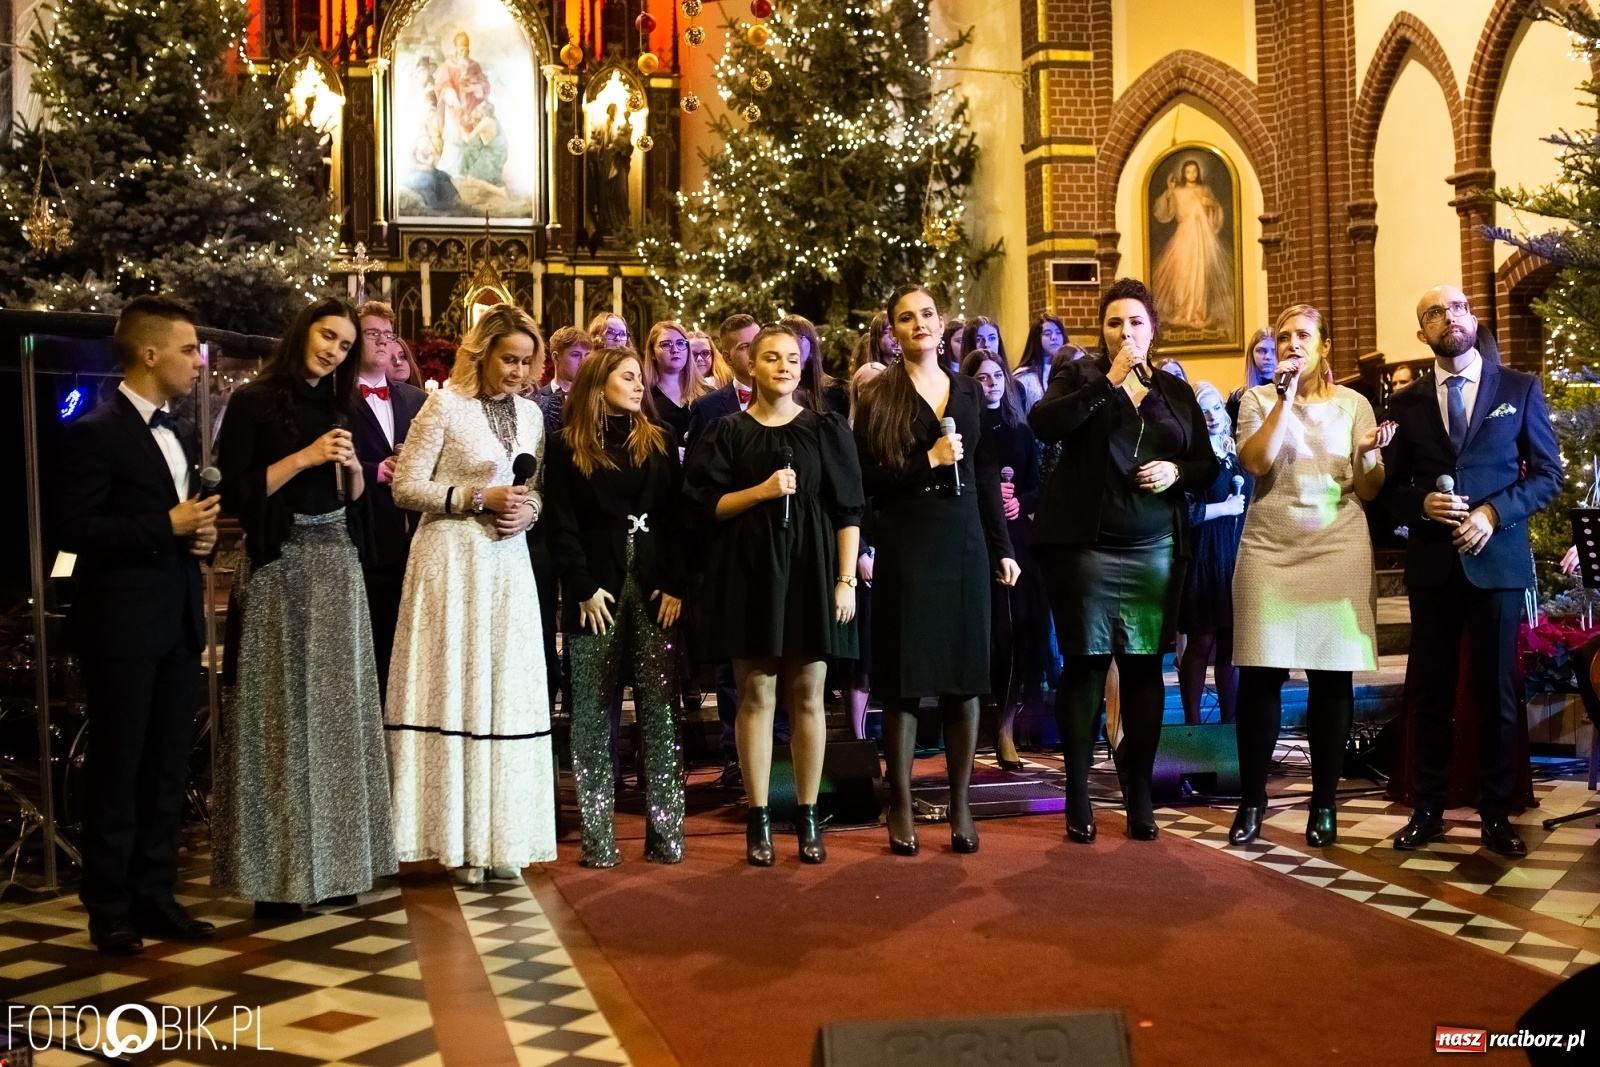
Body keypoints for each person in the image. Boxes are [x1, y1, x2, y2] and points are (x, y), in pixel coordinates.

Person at [212, 297, 397, 918]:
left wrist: (349, 469)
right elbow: (238, 490)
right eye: (328, 337)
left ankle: (341, 864)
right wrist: (307, 457)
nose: (335, 351)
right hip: (280, 563)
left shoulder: (339, 405)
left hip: (337, 558)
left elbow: (353, 498)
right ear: (303, 332)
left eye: (346, 345)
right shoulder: (253, 401)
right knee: (280, 716)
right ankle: (277, 877)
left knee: (340, 717)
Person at [55, 296, 218, 954]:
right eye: (187, 349)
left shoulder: (176, 431)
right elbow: (74, 530)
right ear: (149, 353)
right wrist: (166, 526)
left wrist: (196, 538)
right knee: (118, 770)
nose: (198, 362)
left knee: (166, 767)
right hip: (120, 626)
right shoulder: (95, 430)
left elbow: (177, 521)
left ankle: (156, 892)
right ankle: (110, 905)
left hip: (175, 621)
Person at [1029, 278, 1217, 844]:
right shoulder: (1081, 377)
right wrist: (1107, 384)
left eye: (1135, 322)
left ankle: (1139, 792)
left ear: (1152, 329)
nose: (1125, 332)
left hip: (1155, 548)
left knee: (1141, 665)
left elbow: (1208, 466)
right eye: (1114, 323)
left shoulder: (1174, 391)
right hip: (1086, 546)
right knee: (1086, 664)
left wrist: (1177, 473)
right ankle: (1079, 793)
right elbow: (1045, 424)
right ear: (1102, 331)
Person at [1380, 285, 1562, 858]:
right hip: (1434, 566)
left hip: (1498, 563)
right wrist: (1420, 506)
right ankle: (1428, 810)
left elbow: (1547, 476)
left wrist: (1492, 512)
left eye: (1455, 308)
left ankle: (1495, 813)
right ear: (1423, 332)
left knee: (1498, 694)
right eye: (1433, 312)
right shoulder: (1406, 403)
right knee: (1431, 693)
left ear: (1471, 318)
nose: (1447, 317)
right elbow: (1387, 489)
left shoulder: (1519, 388)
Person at [385, 306, 553, 885]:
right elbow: (407, 488)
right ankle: (454, 840)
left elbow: (530, 489)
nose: (519, 371)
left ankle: (502, 835)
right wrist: (476, 499)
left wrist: (528, 509)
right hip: (451, 560)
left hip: (509, 565)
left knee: (505, 691)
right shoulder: (443, 406)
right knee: (460, 690)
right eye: (510, 359)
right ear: (481, 354)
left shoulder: (532, 414)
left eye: (528, 361)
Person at [687, 323, 865, 864]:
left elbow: (847, 510)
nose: (783, 366)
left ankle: (808, 814)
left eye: (792, 358)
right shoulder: (725, 432)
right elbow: (703, 507)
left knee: (810, 695)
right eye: (771, 357)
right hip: (750, 574)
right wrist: (761, 491)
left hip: (812, 571)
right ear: (751, 366)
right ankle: (759, 816)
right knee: (756, 695)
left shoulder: (826, 428)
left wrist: (845, 580)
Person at [855, 284, 1020, 855]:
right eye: (906, 318)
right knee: (902, 683)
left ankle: (960, 803)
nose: (919, 324)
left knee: (964, 678)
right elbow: (865, 482)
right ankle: (899, 802)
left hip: (966, 543)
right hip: (908, 541)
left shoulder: (971, 390)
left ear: (941, 321)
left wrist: (1002, 546)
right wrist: (925, 460)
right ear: (893, 331)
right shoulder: (880, 396)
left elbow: (985, 470)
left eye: (927, 314)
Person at [1227, 305, 1393, 848]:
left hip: (1337, 543)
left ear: (1325, 347)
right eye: (1283, 336)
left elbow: (1368, 490)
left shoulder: (1356, 404)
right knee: (1260, 675)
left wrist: (1368, 456)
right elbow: (1256, 462)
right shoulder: (1256, 398)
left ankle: (1324, 803)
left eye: (1304, 336)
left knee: (1331, 678)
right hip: (1269, 547)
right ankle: (1252, 800)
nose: (1292, 343)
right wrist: (1285, 398)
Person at [545, 347, 688, 867]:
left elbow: (678, 517)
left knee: (661, 714)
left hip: (654, 593)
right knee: (590, 717)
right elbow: (558, 521)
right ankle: (598, 840)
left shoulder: (660, 438)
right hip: (595, 595)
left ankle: (667, 835)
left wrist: (676, 582)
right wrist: (581, 586)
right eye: (627, 376)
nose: (638, 384)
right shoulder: (564, 447)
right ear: (598, 382)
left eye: (638, 378)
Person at [685, 312, 764, 786]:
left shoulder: (791, 399)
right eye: (743, 348)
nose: (754, 355)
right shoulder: (711, 409)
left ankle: (777, 759)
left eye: (759, 344)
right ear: (726, 354)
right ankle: (738, 757)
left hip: (780, 541)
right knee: (736, 662)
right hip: (732, 543)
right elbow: (700, 483)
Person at [962, 349, 1047, 770]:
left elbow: (1036, 485)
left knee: (1016, 638)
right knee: (984, 636)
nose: (991, 383)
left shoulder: (1021, 430)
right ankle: (972, 727)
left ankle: (1006, 730)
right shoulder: (966, 429)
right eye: (982, 376)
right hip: (974, 538)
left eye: (997, 375)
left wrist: (1020, 502)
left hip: (1016, 541)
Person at [353, 301, 429, 699]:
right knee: (370, 653)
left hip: (413, 542)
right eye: (372, 334)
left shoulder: (415, 400)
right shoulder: (337, 397)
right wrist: (375, 471)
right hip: (363, 540)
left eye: (389, 334)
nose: (384, 342)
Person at [1177, 382, 1249, 725]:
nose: (1212, 417)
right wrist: (1225, 507)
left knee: (1231, 647)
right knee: (1202, 642)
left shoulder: (1236, 452)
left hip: (1235, 558)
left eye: (1217, 409)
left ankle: (1230, 727)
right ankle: (1193, 729)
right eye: (1203, 412)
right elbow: (1186, 513)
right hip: (1204, 557)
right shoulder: (1192, 458)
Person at [845, 362, 886, 740]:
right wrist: (860, 552)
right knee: (863, 658)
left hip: (897, 550)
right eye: (866, 387)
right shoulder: (846, 436)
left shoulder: (898, 435)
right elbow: (845, 504)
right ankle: (858, 739)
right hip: (862, 554)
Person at [644, 320, 704, 449]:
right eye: (666, 344)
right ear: (652, 352)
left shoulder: (708, 392)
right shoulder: (643, 396)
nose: (675, 350)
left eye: (681, 343)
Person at [781, 312, 850, 414]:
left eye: (799, 337)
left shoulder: (838, 393)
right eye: (785, 339)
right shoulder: (777, 390)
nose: (792, 344)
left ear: (812, 346)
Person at [538, 326, 591, 439]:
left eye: (587, 355)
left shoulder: (595, 397)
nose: (583, 362)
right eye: (575, 355)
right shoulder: (537, 399)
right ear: (556, 358)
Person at [1013, 313, 1067, 411]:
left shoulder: (1070, 369)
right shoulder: (1024, 376)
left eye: (1058, 332)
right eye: (1047, 333)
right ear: (1036, 338)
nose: (1054, 337)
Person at [1227, 327, 1276, 424]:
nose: (1267, 357)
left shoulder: (1288, 393)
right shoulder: (1237, 397)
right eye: (1261, 351)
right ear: (1251, 354)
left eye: (1274, 351)